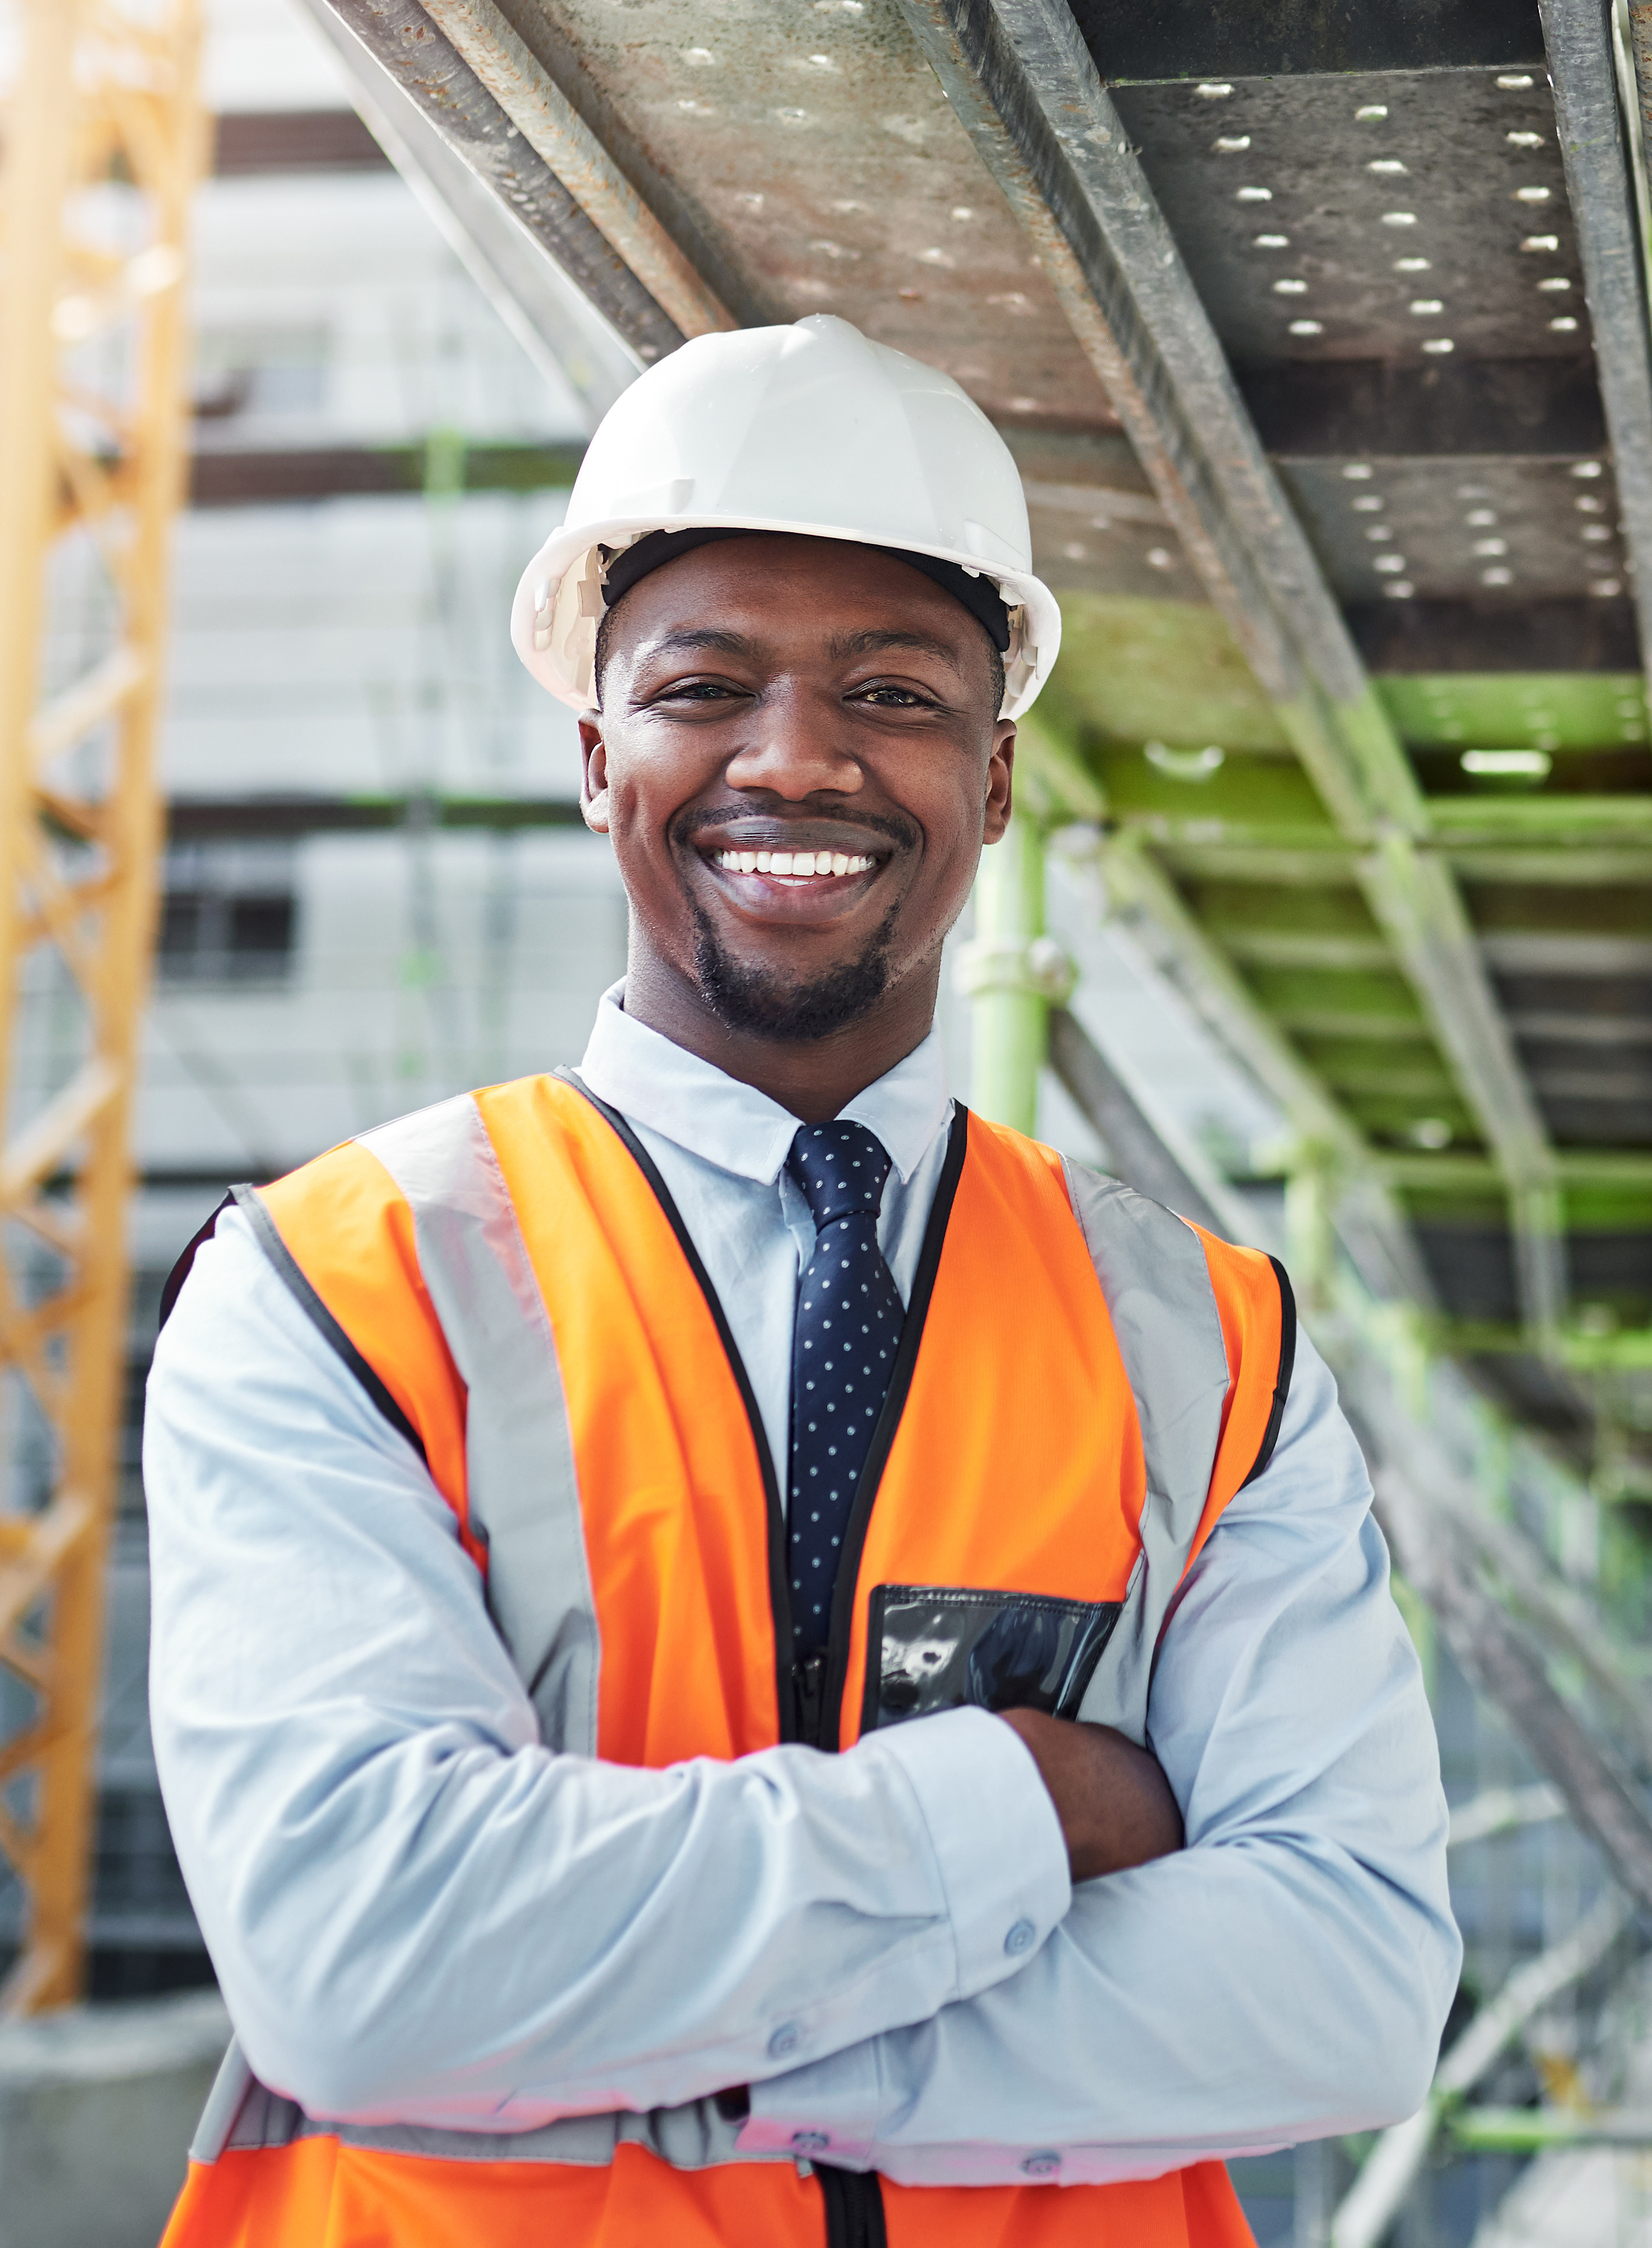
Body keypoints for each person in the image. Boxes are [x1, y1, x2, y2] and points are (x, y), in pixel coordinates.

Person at [144, 315, 1460, 2248]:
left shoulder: (1208, 1342)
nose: (794, 758)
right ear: (595, 757)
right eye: (702, 688)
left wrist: (664, 2046)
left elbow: (1345, 1987)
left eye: (892, 693)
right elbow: (367, 1965)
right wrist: (1024, 1804)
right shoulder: (338, 1285)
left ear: (992, 780)